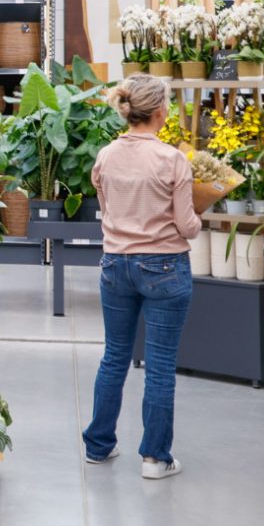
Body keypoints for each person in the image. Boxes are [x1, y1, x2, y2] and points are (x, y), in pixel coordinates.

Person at [81, 73, 200, 479]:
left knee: (114, 355)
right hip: (164, 265)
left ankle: (98, 446)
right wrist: (198, 221)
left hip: (115, 264)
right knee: (161, 364)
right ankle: (154, 458)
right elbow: (186, 225)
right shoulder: (172, 159)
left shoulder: (106, 155)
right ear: (161, 112)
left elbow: (107, 208)